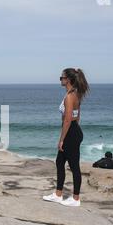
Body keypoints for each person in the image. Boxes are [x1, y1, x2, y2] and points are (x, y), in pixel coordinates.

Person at [43, 68, 90, 207]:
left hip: (71, 132)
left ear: (68, 80)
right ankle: (58, 194)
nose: (60, 80)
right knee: (59, 162)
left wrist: (62, 139)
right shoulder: (76, 94)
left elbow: (68, 119)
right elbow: (78, 115)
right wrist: (73, 131)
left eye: (61, 78)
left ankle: (76, 199)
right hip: (74, 131)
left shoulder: (70, 96)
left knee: (74, 166)